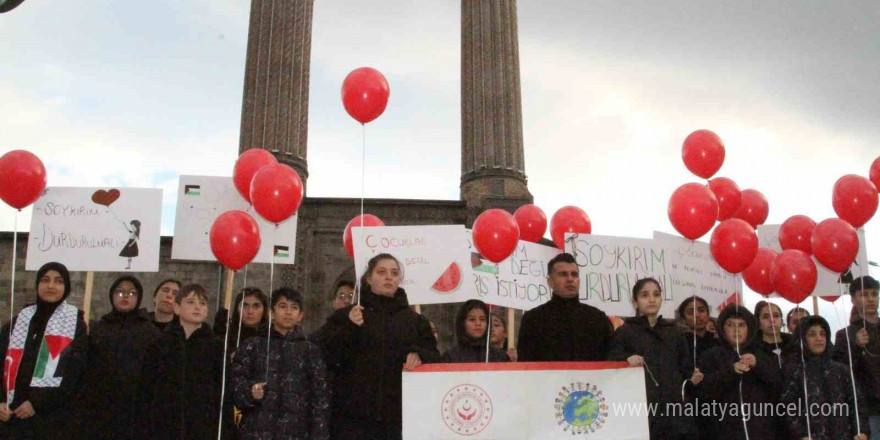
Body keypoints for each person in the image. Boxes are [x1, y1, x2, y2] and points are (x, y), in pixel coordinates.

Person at [314, 253, 440, 440]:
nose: (389, 277)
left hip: (398, 419)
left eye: (394, 273)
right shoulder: (349, 314)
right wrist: (347, 326)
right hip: (352, 419)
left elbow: (435, 358)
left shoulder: (416, 321)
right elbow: (323, 354)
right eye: (381, 272)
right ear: (368, 278)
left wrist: (419, 354)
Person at [0, 262, 88, 439]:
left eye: (58, 281)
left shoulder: (75, 323)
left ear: (66, 287)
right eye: (45, 280)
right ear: (37, 285)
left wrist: (37, 404)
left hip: (48, 417)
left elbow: (74, 372)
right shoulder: (18, 320)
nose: (51, 286)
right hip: (10, 414)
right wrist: (0, 400)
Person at [608, 277, 701, 439]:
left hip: (675, 413)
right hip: (640, 411)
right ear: (635, 302)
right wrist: (626, 359)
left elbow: (685, 368)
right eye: (645, 295)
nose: (652, 299)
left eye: (656, 294)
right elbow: (610, 363)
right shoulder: (625, 331)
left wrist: (693, 376)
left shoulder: (674, 332)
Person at [230, 288, 329, 440]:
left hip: (297, 433)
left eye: (294, 307)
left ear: (300, 316)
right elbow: (236, 388)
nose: (288, 312)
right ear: (271, 312)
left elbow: (320, 400)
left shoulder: (311, 351)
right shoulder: (252, 346)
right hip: (256, 432)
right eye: (282, 306)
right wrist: (251, 393)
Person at [138, 284, 231, 440]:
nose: (197, 307)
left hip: (204, 428)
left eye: (202, 303)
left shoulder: (217, 347)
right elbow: (145, 392)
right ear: (177, 307)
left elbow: (224, 394)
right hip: (163, 427)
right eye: (190, 302)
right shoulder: (158, 345)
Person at [80, 275, 162, 440]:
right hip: (100, 408)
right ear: (111, 296)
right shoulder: (99, 328)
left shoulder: (150, 332)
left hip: (135, 408)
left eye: (132, 293)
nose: (125, 296)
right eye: (120, 292)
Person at [698, 305, 778, 440]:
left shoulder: (763, 353)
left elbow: (778, 385)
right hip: (723, 431)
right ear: (722, 328)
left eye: (741, 325)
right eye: (730, 325)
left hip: (761, 431)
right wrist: (730, 371)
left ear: (749, 328)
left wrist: (758, 365)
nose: (736, 330)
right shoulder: (710, 355)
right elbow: (703, 391)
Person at [781, 315, 868, 440]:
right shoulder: (793, 370)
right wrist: (801, 435)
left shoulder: (841, 370)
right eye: (812, 334)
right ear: (802, 339)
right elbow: (788, 407)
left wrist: (861, 431)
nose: (819, 338)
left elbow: (857, 403)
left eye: (823, 334)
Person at [517, 253, 613, 361]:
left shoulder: (598, 318)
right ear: (550, 282)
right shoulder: (533, 319)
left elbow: (611, 358)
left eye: (574, 274)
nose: (570, 279)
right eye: (563, 274)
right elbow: (525, 364)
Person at [834, 276, 880, 437]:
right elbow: (839, 371)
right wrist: (855, 346)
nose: (870, 299)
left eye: (874, 294)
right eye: (864, 294)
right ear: (853, 299)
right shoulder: (844, 335)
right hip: (869, 409)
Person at [442, 300, 509, 363]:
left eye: (482, 319)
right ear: (462, 323)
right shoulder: (451, 357)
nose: (478, 323)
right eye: (472, 319)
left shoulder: (500, 357)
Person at [214, 288, 269, 353]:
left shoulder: (271, 337)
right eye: (245, 306)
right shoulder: (227, 337)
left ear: (264, 310)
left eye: (256, 306)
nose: (250, 311)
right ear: (237, 309)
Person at [677, 296, 718, 361]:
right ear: (684, 319)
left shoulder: (718, 342)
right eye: (691, 312)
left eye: (701, 310)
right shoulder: (680, 344)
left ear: (708, 314)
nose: (697, 315)